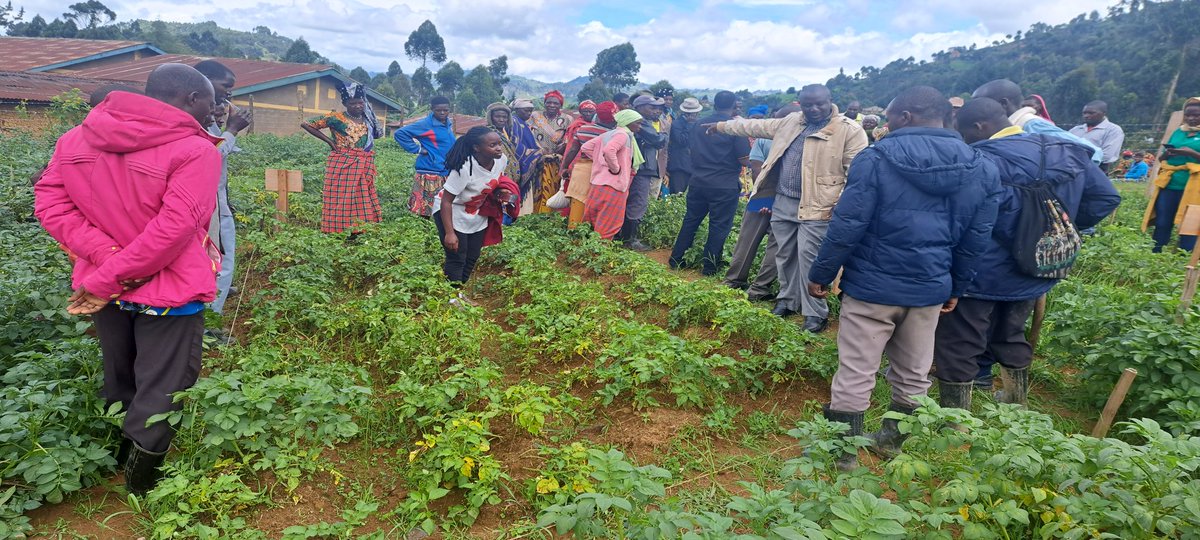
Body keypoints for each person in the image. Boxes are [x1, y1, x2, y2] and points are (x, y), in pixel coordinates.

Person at [34, 63, 221, 495]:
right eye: (211, 103)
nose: (214, 112)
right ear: (192, 99)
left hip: (101, 287)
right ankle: (142, 484)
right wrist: (115, 271)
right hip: (167, 291)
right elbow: (174, 230)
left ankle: (110, 458)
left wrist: (105, 262)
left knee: (120, 373)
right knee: (164, 383)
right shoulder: (195, 151)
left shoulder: (75, 139)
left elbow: (51, 205)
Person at [807, 86, 1001, 470]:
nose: (886, 124)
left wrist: (822, 273)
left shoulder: (876, 158)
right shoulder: (982, 167)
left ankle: (843, 455)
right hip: (930, 288)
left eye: (891, 117)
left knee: (857, 369)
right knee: (914, 370)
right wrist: (956, 287)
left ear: (907, 117)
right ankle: (891, 441)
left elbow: (848, 224)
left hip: (871, 288)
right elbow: (975, 240)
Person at [935, 97, 1120, 412]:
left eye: (965, 132)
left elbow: (959, 217)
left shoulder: (979, 159)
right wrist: (1059, 225)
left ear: (979, 126)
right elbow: (1105, 197)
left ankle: (954, 417)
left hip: (982, 270)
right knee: (1011, 332)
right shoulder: (1066, 150)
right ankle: (1014, 401)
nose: (964, 139)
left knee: (961, 339)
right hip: (1038, 266)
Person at [706, 84, 867, 333]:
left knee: (809, 258)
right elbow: (755, 126)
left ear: (830, 100)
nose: (813, 109)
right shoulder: (792, 121)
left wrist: (841, 203)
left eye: (819, 104)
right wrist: (722, 127)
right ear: (800, 104)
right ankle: (788, 300)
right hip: (783, 200)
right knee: (784, 254)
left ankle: (815, 313)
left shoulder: (849, 130)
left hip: (818, 205)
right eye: (807, 104)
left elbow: (857, 174)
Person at [668, 91, 750, 276]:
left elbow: (690, 148)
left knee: (690, 220)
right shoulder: (734, 127)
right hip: (724, 184)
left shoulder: (697, 124)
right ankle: (710, 267)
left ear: (714, 104)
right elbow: (744, 158)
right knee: (719, 226)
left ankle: (676, 259)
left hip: (698, 180)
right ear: (735, 105)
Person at [724, 104, 800, 300]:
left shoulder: (764, 138)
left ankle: (733, 280)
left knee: (747, 240)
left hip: (762, 194)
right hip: (788, 199)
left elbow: (756, 167)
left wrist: (764, 195)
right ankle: (759, 289)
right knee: (777, 245)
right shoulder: (802, 141)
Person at [194, 60, 251, 320]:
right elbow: (209, 157)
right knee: (221, 260)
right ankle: (210, 319)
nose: (229, 93)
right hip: (207, 204)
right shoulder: (195, 118)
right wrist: (232, 130)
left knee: (212, 259)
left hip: (215, 199)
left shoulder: (204, 115)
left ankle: (211, 305)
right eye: (226, 86)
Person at [434, 126, 519, 290]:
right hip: (451, 210)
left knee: (473, 255)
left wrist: (500, 193)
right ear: (477, 148)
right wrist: (450, 233)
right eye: (492, 145)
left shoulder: (501, 160)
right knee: (457, 256)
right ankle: (452, 297)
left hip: (475, 211)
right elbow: (446, 201)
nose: (498, 148)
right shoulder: (464, 168)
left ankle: (457, 292)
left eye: (499, 144)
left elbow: (494, 180)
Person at [302, 82, 384, 238]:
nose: (358, 106)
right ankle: (337, 231)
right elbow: (307, 124)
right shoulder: (336, 118)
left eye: (360, 102)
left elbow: (376, 136)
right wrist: (330, 142)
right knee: (341, 197)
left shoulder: (368, 118)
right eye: (353, 103)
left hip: (364, 162)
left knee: (361, 196)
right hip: (343, 162)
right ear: (345, 103)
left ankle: (359, 230)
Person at [972, 80, 1103, 163]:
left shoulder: (1031, 124)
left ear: (1003, 103)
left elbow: (1092, 152)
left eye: (982, 103)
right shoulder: (1011, 126)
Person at [1143, 97, 1200, 252]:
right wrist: (1167, 154)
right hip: (1170, 183)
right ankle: (1156, 252)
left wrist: (1192, 154)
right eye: (1188, 115)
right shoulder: (1179, 131)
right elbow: (1161, 158)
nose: (1191, 118)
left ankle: (1184, 256)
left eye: (1196, 115)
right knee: (1163, 221)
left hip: (1194, 185)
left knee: (1190, 222)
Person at [582, 110, 643, 240]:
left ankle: (587, 252)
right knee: (608, 224)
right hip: (614, 185)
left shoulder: (609, 134)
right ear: (628, 122)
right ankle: (600, 254)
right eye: (638, 123)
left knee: (593, 220)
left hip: (598, 183)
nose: (640, 126)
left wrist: (601, 162)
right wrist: (615, 168)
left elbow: (586, 147)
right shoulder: (623, 135)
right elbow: (609, 150)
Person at [395, 96, 455, 217]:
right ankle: (424, 231)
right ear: (432, 109)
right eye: (439, 110)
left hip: (445, 169)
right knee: (425, 208)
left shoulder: (448, 123)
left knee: (444, 207)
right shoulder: (426, 124)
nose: (443, 113)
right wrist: (417, 149)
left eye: (446, 110)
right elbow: (400, 133)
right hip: (430, 170)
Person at [562, 101, 617, 229]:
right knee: (598, 205)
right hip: (603, 173)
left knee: (578, 203)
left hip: (582, 170)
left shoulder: (583, 129)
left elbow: (573, 150)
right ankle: (594, 237)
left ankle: (574, 236)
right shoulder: (614, 135)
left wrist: (565, 167)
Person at [624, 95, 668, 250]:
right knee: (638, 201)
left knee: (630, 200)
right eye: (652, 107)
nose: (656, 111)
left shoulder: (630, 119)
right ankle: (631, 240)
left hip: (632, 166)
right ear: (640, 107)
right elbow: (658, 140)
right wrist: (663, 135)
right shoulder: (640, 121)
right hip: (641, 168)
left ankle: (623, 237)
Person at [528, 90, 573, 213]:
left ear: (561, 105)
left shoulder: (567, 119)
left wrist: (564, 144)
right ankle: (537, 213)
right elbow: (528, 133)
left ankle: (551, 213)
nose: (552, 105)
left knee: (553, 186)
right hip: (538, 159)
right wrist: (538, 149)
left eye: (555, 103)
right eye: (549, 102)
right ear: (544, 103)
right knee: (538, 186)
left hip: (557, 160)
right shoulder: (535, 116)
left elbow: (571, 135)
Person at [485, 101, 541, 201]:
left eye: (505, 117)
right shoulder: (487, 134)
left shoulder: (505, 133)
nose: (501, 120)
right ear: (490, 117)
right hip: (494, 179)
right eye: (497, 116)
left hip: (508, 181)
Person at [1070, 101, 1126, 172]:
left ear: (1103, 113)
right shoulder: (1076, 130)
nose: (1086, 116)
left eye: (1091, 113)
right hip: (1071, 169)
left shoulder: (1113, 130)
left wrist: (1078, 159)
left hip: (1097, 170)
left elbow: (1107, 155)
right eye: (1084, 113)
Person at [667, 97, 702, 194]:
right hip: (680, 166)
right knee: (677, 194)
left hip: (693, 164)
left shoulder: (697, 123)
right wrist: (690, 124)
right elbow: (681, 141)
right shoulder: (677, 124)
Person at [654, 88, 675, 199]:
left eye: (671, 99)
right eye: (666, 99)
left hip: (668, 150)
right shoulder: (657, 116)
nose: (668, 102)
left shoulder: (671, 114)